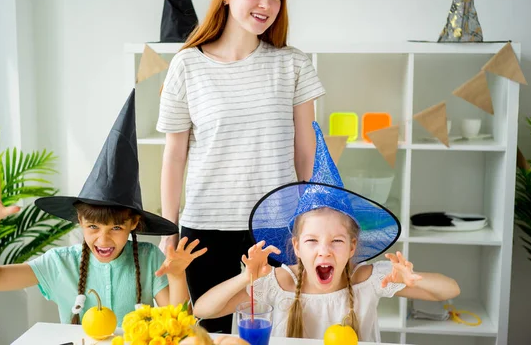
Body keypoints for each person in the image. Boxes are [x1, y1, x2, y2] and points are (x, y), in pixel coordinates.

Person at [156, 0, 325, 333]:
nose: (267, 4)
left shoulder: (293, 64)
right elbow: (174, 155)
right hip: (205, 227)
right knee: (204, 333)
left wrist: (307, 220)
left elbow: (305, 150)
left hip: (276, 225)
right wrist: (170, 227)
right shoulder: (187, 65)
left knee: (278, 332)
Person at [192, 122, 461, 341]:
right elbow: (203, 310)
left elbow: (449, 290)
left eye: (337, 241)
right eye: (312, 241)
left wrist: (414, 278)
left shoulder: (366, 279)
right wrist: (246, 279)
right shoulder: (278, 283)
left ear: (353, 247)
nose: (324, 251)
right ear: (296, 247)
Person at [0, 90, 207, 325]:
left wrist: (176, 277)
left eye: (117, 227)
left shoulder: (150, 258)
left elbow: (178, 325)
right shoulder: (59, 263)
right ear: (80, 220)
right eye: (92, 226)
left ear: (134, 223)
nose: (103, 239)